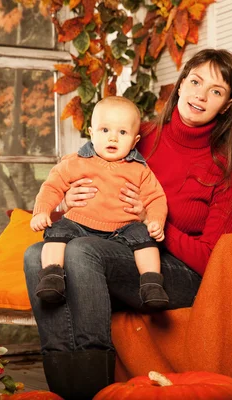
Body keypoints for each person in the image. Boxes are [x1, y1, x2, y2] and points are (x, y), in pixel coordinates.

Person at [24, 48, 232, 400]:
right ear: (182, 83)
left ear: (229, 104)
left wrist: (155, 223)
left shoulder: (228, 169)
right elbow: (86, 181)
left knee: (81, 253)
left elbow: (211, 260)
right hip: (113, 247)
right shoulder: (138, 134)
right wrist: (68, 202)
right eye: (196, 81)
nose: (200, 95)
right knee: (36, 256)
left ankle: (98, 392)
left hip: (177, 273)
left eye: (215, 91)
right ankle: (65, 391)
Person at [30, 96, 169, 309]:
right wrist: (42, 211)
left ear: (134, 140)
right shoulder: (75, 162)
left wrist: (156, 221)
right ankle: (52, 276)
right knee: (57, 232)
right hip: (79, 223)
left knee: (146, 238)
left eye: (122, 133)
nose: (112, 138)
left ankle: (151, 283)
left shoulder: (140, 170)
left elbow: (157, 198)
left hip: (124, 229)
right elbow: (52, 187)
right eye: (105, 130)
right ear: (91, 132)